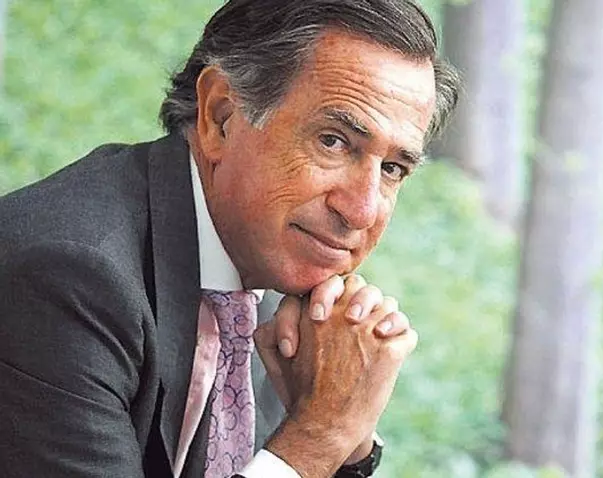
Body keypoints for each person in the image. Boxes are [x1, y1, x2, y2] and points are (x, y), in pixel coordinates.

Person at [0, 0, 459, 477]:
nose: (361, 210)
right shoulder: (64, 278)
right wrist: (321, 433)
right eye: (333, 141)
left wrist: (350, 440)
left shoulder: (280, 292)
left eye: (393, 169)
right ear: (220, 116)